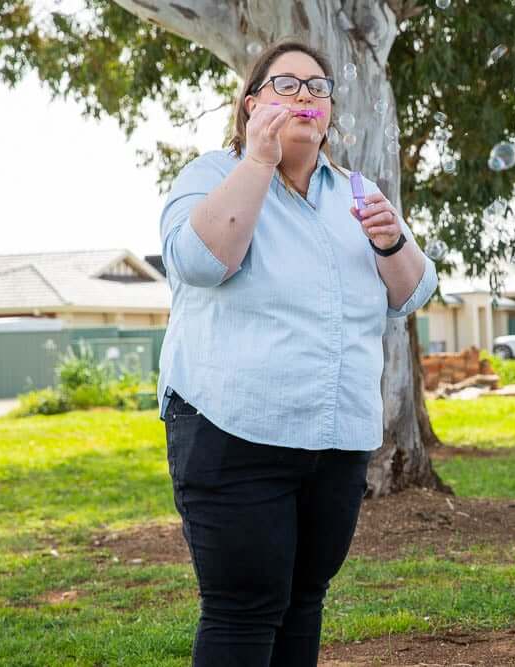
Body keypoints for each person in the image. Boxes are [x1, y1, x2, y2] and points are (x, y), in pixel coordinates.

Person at [157, 39, 437, 666]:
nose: (306, 94)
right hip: (233, 431)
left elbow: (414, 292)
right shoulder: (210, 175)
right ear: (252, 104)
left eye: (317, 86)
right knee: (244, 607)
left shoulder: (357, 192)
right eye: (286, 85)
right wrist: (258, 159)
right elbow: (202, 263)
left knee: (304, 598)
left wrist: (392, 242)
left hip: (335, 438)